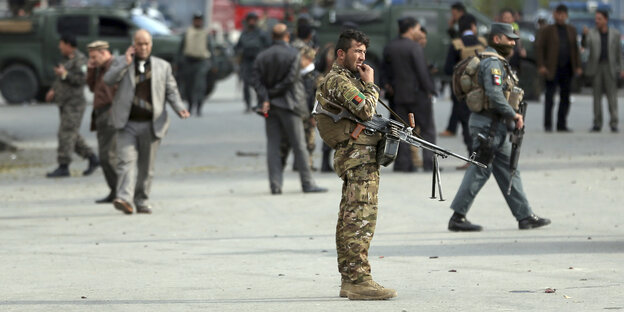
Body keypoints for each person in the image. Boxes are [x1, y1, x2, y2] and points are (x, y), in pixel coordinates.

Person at [316, 29, 397, 300]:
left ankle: (350, 278)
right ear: (341, 54)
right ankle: (359, 280)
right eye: (356, 52)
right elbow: (366, 110)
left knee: (351, 217)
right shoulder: (338, 81)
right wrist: (372, 84)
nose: (362, 57)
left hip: (361, 155)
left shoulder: (349, 79)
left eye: (364, 52)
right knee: (360, 218)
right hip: (357, 157)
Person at [447, 23, 551, 232]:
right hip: (488, 125)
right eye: (509, 39)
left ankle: (524, 216)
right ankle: (457, 217)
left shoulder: (497, 61)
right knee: (479, 170)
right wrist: (513, 114)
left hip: (495, 126)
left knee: (509, 169)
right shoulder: (492, 64)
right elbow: (494, 94)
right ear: (497, 39)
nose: (513, 42)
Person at [103, 29, 190, 215]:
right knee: (125, 162)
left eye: (146, 44)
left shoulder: (163, 66)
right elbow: (108, 80)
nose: (143, 47)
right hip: (127, 124)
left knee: (146, 167)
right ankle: (124, 199)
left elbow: (171, 91)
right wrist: (125, 64)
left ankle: (141, 200)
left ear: (151, 45)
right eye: (139, 43)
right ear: (133, 45)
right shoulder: (120, 62)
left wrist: (179, 107)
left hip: (152, 124)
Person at [252, 23, 327, 195]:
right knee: (299, 145)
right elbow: (291, 80)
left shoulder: (262, 56)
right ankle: (307, 183)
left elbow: (256, 81)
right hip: (290, 105)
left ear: (272, 37)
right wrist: (273, 93)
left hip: (270, 107)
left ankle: (275, 185)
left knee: (273, 145)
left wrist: (266, 96)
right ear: (287, 36)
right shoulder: (294, 54)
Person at [382, 17, 437, 172]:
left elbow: (384, 70)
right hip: (417, 95)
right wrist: (430, 90)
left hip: (398, 96)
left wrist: (388, 86)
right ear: (411, 29)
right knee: (427, 130)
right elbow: (422, 72)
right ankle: (429, 163)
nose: (419, 32)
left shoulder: (390, 47)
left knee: (401, 131)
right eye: (418, 29)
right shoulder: (414, 48)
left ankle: (403, 164)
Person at [45, 34, 99, 178]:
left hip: (74, 104)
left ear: (69, 45)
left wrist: (65, 74)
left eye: (61, 44)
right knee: (71, 134)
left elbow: (82, 80)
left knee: (66, 133)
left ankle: (64, 166)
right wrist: (53, 90)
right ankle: (92, 158)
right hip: (64, 102)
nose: (59, 47)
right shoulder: (66, 59)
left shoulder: (80, 60)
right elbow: (61, 79)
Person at [443, 14, 486, 170]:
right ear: (473, 26)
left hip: (462, 94)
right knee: (481, 124)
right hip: (482, 92)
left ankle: (472, 158)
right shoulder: (482, 43)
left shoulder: (456, 44)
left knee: (467, 126)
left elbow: (448, 69)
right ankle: (484, 156)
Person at [536, 4, 582, 132]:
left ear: (566, 16)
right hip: (552, 68)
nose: (561, 17)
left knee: (565, 97)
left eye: (563, 14)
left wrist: (578, 66)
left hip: (567, 68)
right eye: (558, 14)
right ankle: (548, 124)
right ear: (554, 14)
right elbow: (540, 48)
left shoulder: (571, 30)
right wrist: (541, 65)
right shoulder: (547, 30)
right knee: (549, 97)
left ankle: (561, 124)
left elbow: (575, 50)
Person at [86, 40, 118, 203]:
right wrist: (91, 70)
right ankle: (115, 191)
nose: (92, 61)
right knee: (105, 156)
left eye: (94, 57)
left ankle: (122, 191)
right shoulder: (99, 69)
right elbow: (92, 88)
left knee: (108, 156)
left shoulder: (114, 67)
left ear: (105, 53)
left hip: (110, 114)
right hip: (99, 115)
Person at [582, 10, 622, 133]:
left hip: (609, 67)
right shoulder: (592, 33)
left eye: (599, 19)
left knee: (612, 97)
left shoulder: (615, 34)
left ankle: (614, 122)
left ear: (606, 20)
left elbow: (619, 53)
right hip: (596, 67)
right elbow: (585, 45)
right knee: (596, 97)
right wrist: (584, 35)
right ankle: (597, 123)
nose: (597, 21)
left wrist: (621, 68)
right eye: (596, 19)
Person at [178, 12, 213, 116]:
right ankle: (190, 105)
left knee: (199, 86)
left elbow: (210, 49)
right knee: (189, 86)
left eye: (199, 20)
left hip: (201, 62)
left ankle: (199, 107)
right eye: (196, 20)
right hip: (188, 62)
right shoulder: (188, 32)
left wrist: (213, 64)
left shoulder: (206, 34)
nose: (198, 22)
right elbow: (181, 49)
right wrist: (177, 62)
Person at [235, 12, 270, 113]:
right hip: (246, 62)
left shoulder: (261, 33)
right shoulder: (244, 34)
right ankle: (248, 105)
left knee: (259, 84)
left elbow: (268, 46)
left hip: (258, 62)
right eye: (250, 20)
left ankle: (260, 104)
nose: (251, 22)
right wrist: (239, 53)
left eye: (253, 20)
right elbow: (237, 47)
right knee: (246, 85)